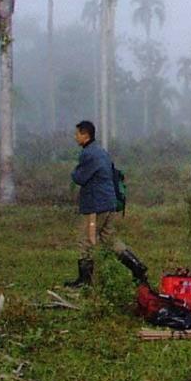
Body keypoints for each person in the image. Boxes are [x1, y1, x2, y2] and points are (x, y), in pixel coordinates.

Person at [65, 120, 148, 287]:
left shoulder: (88, 154)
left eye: (77, 134)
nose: (75, 137)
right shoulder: (101, 151)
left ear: (85, 135)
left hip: (95, 205)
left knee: (85, 240)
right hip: (109, 202)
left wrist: (74, 171)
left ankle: (85, 280)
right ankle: (137, 267)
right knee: (110, 240)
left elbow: (79, 177)